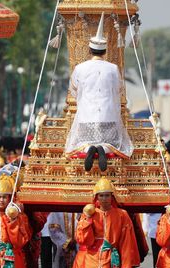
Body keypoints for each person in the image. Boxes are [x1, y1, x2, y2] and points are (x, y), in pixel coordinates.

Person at [64, 13, 133, 171]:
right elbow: (119, 90)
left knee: (81, 143)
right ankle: (103, 148)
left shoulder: (80, 68)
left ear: (89, 50)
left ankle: (91, 149)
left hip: (86, 116)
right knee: (114, 144)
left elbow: (73, 91)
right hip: (108, 116)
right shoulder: (113, 68)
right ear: (105, 51)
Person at [75, 176, 140, 268]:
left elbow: (127, 242)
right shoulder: (89, 214)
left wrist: (126, 266)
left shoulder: (122, 215)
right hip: (90, 264)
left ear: (112, 197)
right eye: (101, 195)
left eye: (107, 195)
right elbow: (83, 240)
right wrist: (87, 220)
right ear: (96, 197)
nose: (104, 199)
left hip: (111, 264)